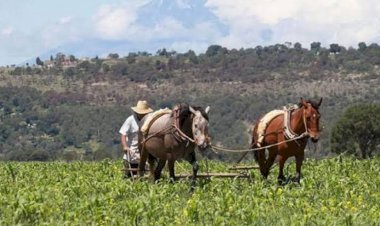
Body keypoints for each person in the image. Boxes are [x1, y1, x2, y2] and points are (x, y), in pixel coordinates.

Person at [119, 100, 153, 178]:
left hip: (145, 152)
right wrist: (125, 146)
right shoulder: (130, 120)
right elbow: (123, 134)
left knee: (147, 175)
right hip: (133, 153)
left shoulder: (149, 120)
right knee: (131, 176)